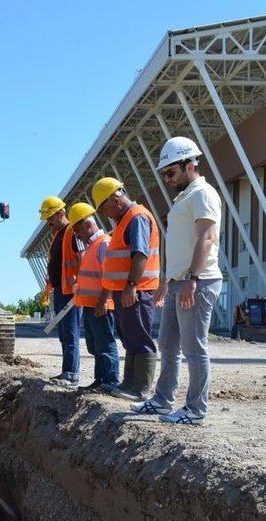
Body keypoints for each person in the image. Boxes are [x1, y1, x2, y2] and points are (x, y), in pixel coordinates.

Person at [131, 136, 223, 425]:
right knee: (168, 344)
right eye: (165, 174)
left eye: (171, 172)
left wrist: (192, 279)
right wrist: (168, 280)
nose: (168, 179)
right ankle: (162, 401)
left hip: (198, 281)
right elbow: (181, 244)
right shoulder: (185, 197)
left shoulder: (202, 194)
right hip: (179, 282)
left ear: (189, 164)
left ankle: (195, 410)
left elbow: (206, 238)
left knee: (194, 348)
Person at [91, 177, 160, 402]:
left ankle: (141, 389)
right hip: (126, 291)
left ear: (115, 198)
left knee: (140, 338)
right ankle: (129, 383)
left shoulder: (137, 217)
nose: (105, 213)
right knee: (130, 338)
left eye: (104, 207)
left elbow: (141, 254)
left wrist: (131, 286)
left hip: (136, 290)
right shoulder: (124, 221)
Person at [69, 202, 120, 393]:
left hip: (101, 305)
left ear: (88, 224)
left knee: (105, 344)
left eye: (77, 230)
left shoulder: (103, 244)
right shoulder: (92, 246)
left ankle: (110, 381)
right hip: (90, 305)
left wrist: (102, 301)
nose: (77, 236)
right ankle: (100, 380)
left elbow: (109, 275)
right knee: (95, 345)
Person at [39, 195, 84, 386]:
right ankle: (67, 371)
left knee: (71, 333)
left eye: (50, 218)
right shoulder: (58, 235)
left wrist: (81, 283)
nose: (48, 222)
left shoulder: (72, 231)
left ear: (61, 213)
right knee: (64, 334)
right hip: (61, 290)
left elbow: (82, 256)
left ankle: (71, 374)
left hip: (71, 292)